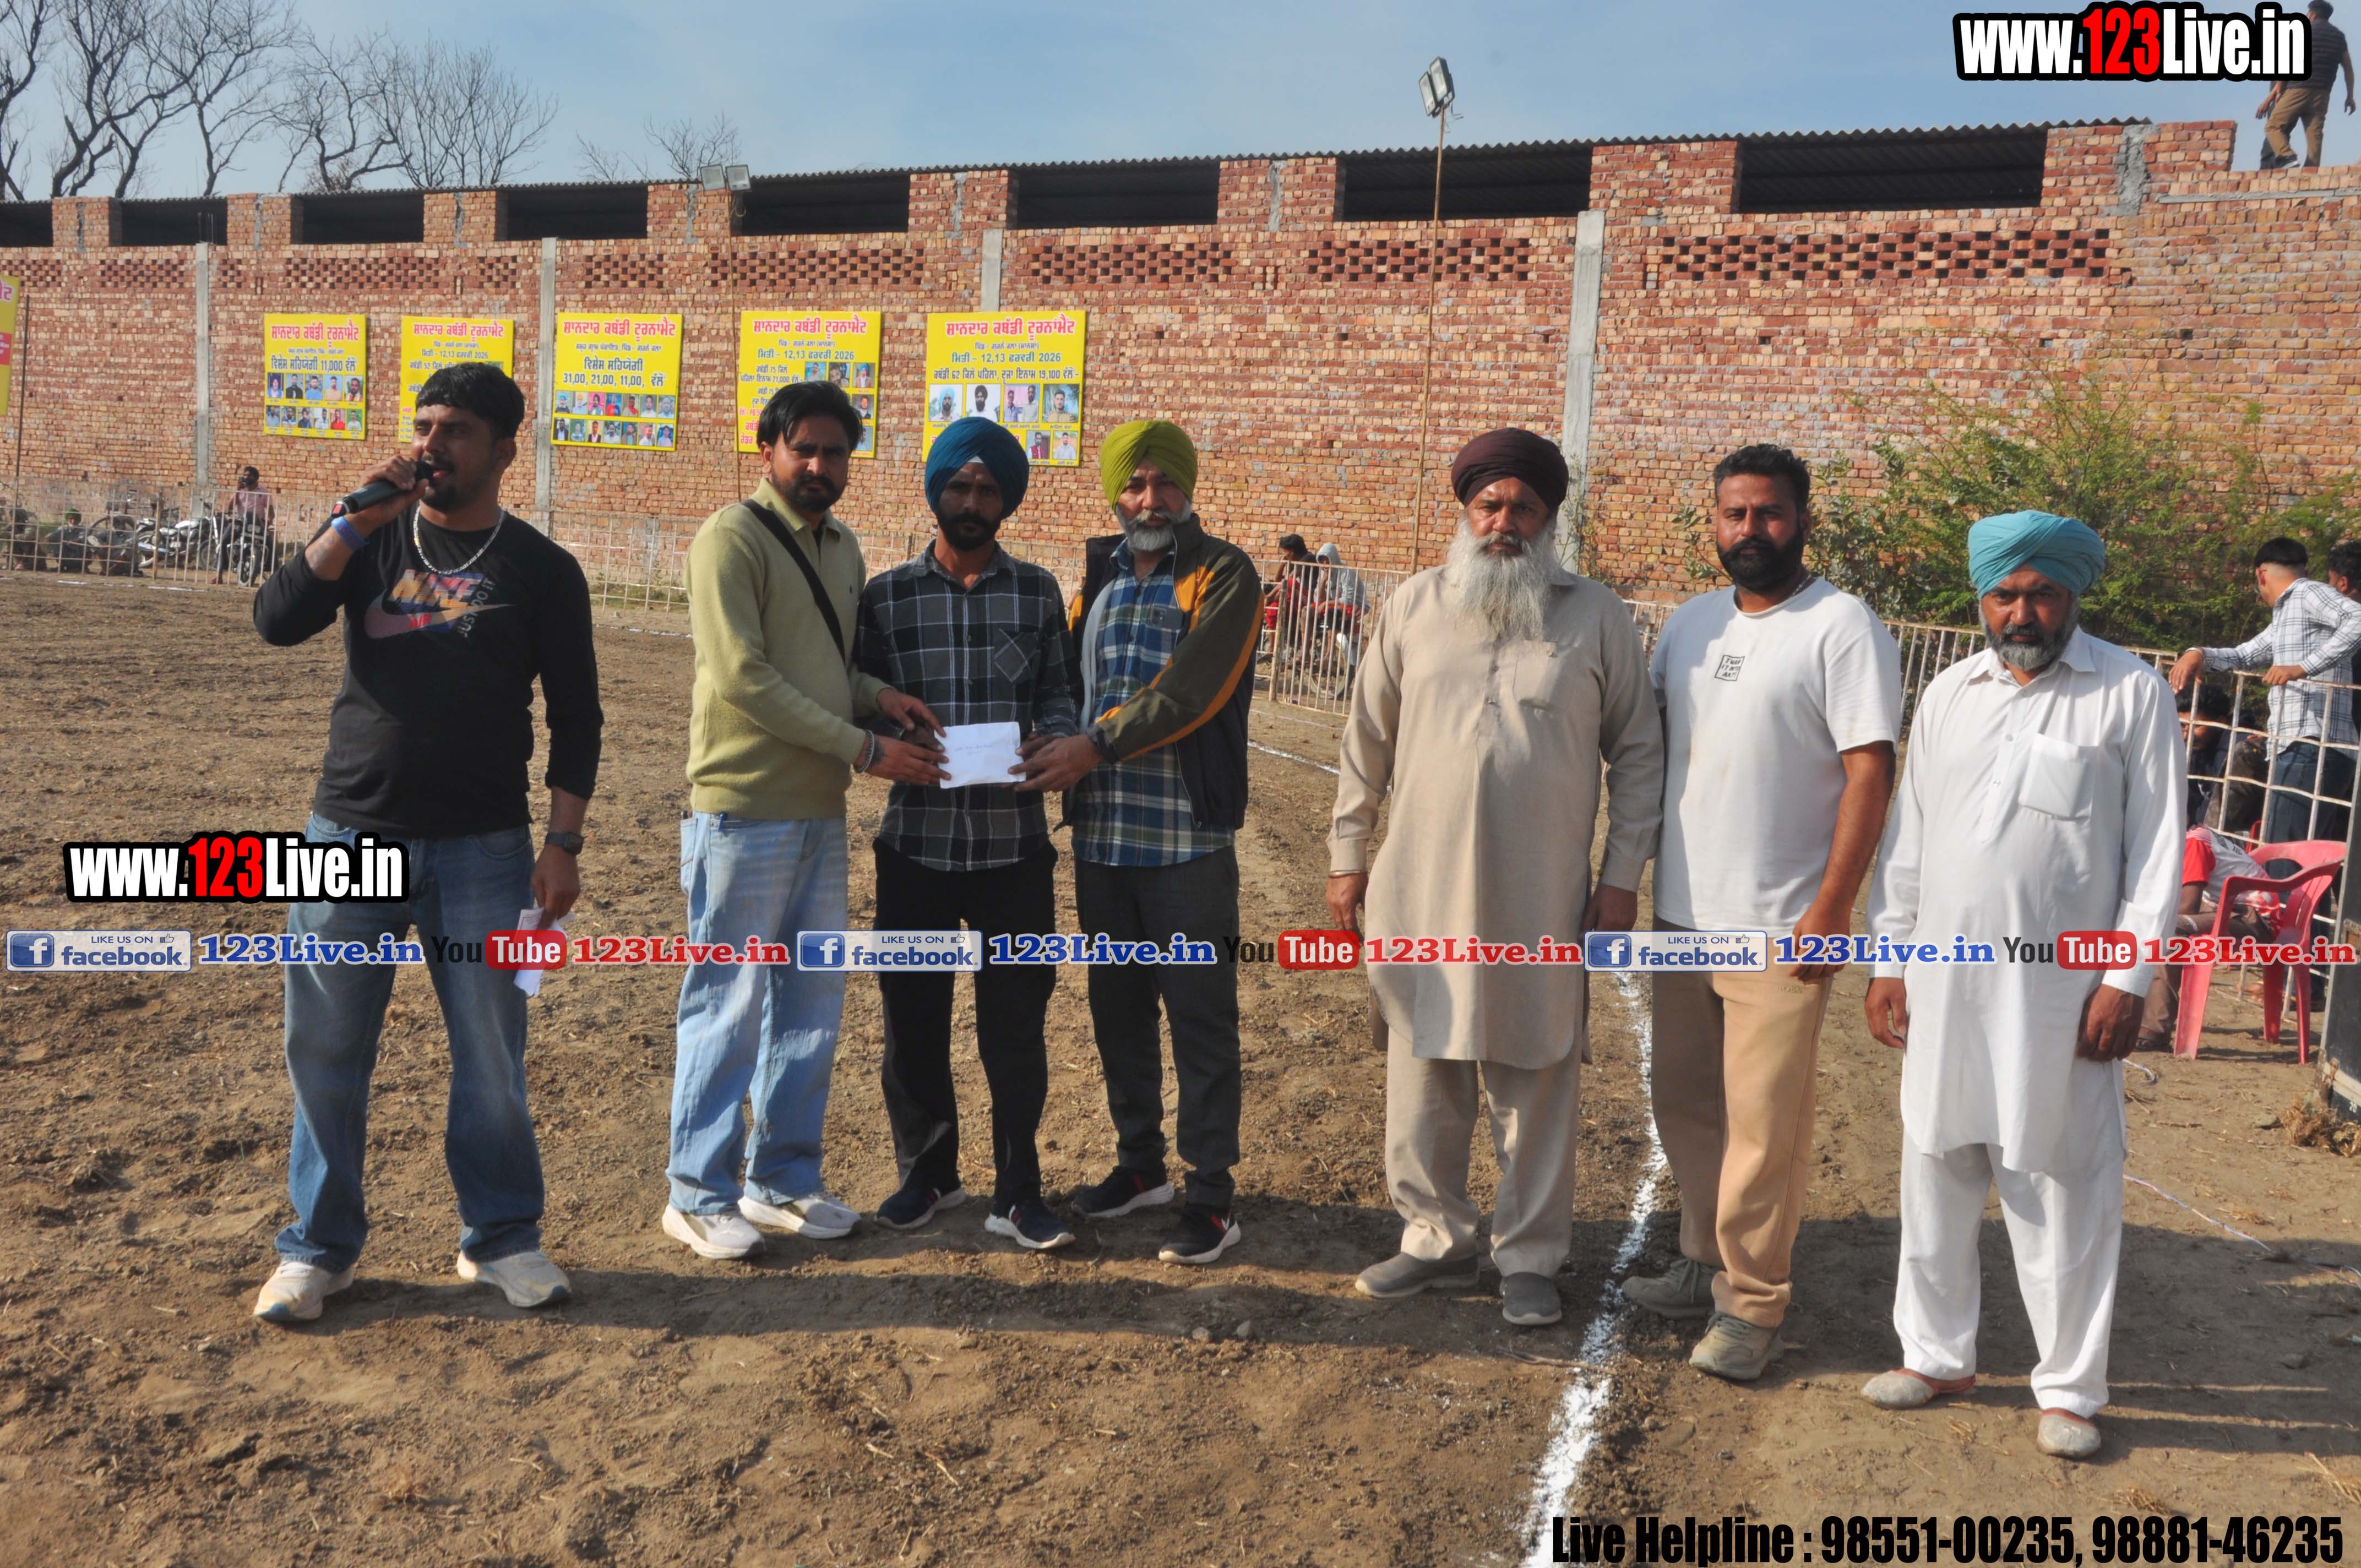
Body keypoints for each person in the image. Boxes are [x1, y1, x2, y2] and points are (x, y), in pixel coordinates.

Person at [248, 362, 602, 1324]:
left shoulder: (542, 569)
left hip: (487, 848)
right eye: (424, 424)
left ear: (504, 450)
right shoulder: (367, 540)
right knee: (325, 1045)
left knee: (492, 1052)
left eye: (455, 430)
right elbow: (275, 620)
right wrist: (353, 518)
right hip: (349, 832)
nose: (430, 444)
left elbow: (578, 717)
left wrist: (563, 843)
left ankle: (503, 1239)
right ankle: (318, 1250)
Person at [1862, 511, 2182, 1460]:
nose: (2022, 611)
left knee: (2061, 1176)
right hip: (1944, 976)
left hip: (2061, 990)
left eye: (2041, 593)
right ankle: (1935, 1355)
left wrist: (2127, 976)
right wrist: (1889, 958)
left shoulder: (2127, 692)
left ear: (2072, 595)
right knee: (1935, 1159)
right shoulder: (1949, 693)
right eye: (2004, 594)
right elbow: (1910, 840)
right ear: (1981, 598)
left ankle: (2070, 1389)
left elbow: (2156, 851)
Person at [1329, 429, 1664, 1329]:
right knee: (1422, 1065)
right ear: (1465, 510)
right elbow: (1364, 740)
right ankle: (1433, 1238)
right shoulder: (1413, 604)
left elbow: (1638, 753)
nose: (1504, 522)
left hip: (1539, 894)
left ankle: (1529, 1256)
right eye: (1489, 505)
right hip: (1419, 887)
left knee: (1535, 1073)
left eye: (1523, 507)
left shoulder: (1595, 616)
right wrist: (1347, 856)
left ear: (1549, 519)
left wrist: (1620, 878)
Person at [1623, 444, 1900, 1380]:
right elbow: (1647, 749)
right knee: (1685, 1103)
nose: (1751, 530)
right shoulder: (1690, 625)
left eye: (1769, 513)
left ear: (1803, 521)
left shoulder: (1841, 626)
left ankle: (1751, 1303)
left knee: (1762, 1122)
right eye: (1734, 513)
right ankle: (1702, 1258)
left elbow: (1870, 772)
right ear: (1713, 521)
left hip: (1784, 925)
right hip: (1681, 918)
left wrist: (1833, 906)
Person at [662, 380, 946, 1262]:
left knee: (810, 1006)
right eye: (805, 449)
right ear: (769, 450)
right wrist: (865, 749)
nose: (820, 465)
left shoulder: (842, 546)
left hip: (818, 813)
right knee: (727, 1005)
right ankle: (697, 1193)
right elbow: (743, 676)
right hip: (743, 812)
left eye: (836, 452)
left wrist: (878, 696)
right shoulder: (732, 537)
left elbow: (825, 666)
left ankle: (781, 1179)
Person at [1017, 419, 1261, 1265]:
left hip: (1186, 841)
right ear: (1114, 494)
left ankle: (1211, 1197)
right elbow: (1072, 685)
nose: (1150, 500)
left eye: (1164, 483)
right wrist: (1050, 740)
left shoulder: (1224, 574)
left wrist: (1093, 746)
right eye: (1134, 484)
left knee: (1200, 1017)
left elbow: (1193, 690)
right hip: (1104, 841)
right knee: (1117, 1010)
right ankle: (1140, 1167)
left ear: (1188, 488)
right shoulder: (1098, 577)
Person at [855, 419, 1080, 1250]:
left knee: (1015, 1026)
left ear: (1006, 500)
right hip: (915, 847)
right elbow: (860, 696)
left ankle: (1018, 1191)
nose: (973, 502)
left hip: (1013, 850)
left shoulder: (1038, 593)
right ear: (936, 493)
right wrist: (893, 743)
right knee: (912, 1019)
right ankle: (928, 1174)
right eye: (960, 486)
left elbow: (1058, 692)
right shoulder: (885, 597)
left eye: (988, 490)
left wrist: (1052, 740)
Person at [2169, 537, 2361, 846]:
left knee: (2284, 853)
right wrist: (2198, 653)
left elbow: (2358, 619)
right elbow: (2244, 655)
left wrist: (2302, 668)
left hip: (2311, 744)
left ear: (2261, 575)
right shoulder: (2288, 613)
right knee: (2295, 853)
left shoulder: (2306, 593)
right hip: (2297, 745)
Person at [2137, 782, 2277, 1052]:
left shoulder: (2194, 843)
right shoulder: (2194, 836)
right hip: (2229, 910)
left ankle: (2155, 1028)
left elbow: (2188, 905)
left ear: (2183, 816)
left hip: (2254, 920)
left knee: (2168, 930)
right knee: (2154, 923)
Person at [2258, 1, 2353, 168]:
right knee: (2315, 140)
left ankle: (2287, 157)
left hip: (2298, 89)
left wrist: (2277, 90)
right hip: (2322, 94)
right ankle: (2311, 175)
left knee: (2273, 126)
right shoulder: (2339, 37)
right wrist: (2350, 96)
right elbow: (2348, 70)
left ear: (2312, 15)